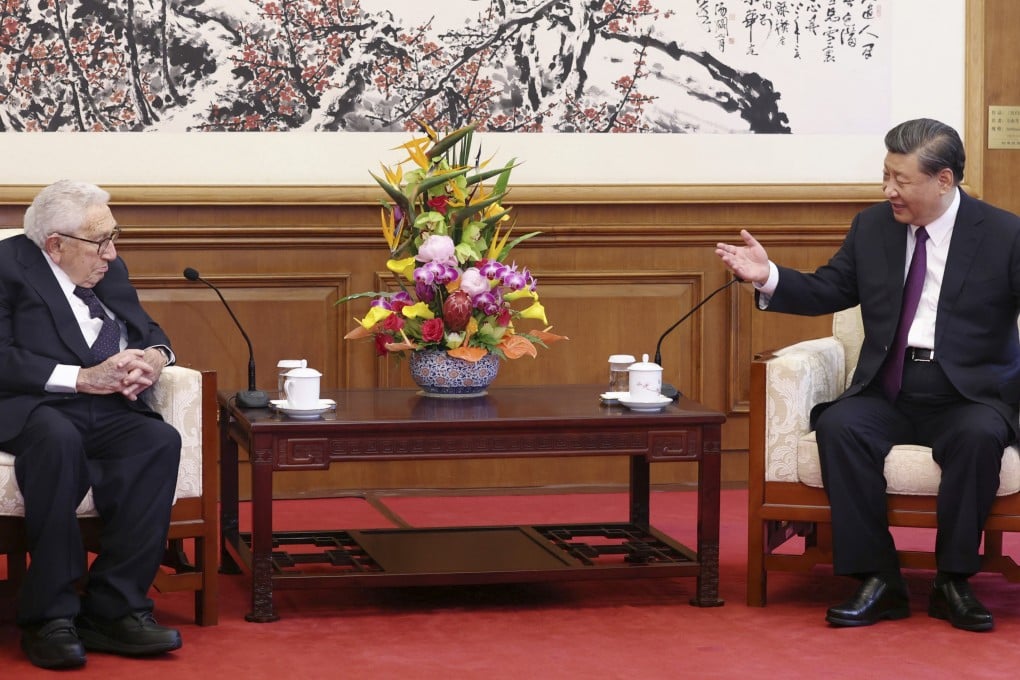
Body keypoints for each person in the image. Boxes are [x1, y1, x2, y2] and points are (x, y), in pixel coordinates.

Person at [716, 118, 1020, 632]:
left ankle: (953, 581)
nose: (888, 190)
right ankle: (878, 579)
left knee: (978, 437)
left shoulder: (1004, 234)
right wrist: (768, 276)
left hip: (967, 395)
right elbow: (830, 289)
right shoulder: (873, 227)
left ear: (944, 180)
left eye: (901, 180)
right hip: (890, 388)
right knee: (840, 427)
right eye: (886, 176)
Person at [0, 180, 183, 669]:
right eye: (101, 241)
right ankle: (49, 616)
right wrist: (79, 378)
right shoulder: (7, 267)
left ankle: (115, 608)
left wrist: (153, 358)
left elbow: (151, 330)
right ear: (55, 245)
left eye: (113, 237)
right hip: (32, 406)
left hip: (107, 406)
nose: (112, 252)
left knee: (157, 440)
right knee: (57, 441)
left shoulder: (107, 268)